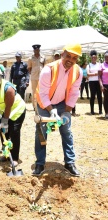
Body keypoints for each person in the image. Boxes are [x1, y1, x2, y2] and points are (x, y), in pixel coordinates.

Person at [32, 43, 83, 177]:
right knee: (41, 132)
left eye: (74, 58)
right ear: (62, 55)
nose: (70, 60)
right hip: (45, 104)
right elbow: (43, 94)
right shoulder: (48, 70)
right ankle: (40, 163)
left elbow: (73, 93)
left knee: (66, 131)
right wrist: (51, 111)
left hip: (62, 103)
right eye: (68, 56)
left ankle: (69, 162)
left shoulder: (77, 72)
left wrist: (66, 111)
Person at [0, 66, 26, 167]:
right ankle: (6, 154)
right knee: (3, 132)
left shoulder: (8, 89)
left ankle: (15, 158)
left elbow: (9, 106)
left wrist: (5, 121)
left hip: (17, 110)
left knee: (14, 131)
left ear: (0, 76)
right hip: (5, 111)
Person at [27, 44, 46, 111]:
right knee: (34, 92)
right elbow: (29, 68)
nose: (36, 51)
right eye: (35, 50)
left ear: (39, 50)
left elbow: (44, 66)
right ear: (33, 50)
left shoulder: (43, 57)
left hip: (41, 77)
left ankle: (41, 105)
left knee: (41, 91)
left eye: (37, 49)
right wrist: (33, 73)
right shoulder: (30, 58)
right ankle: (35, 106)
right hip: (34, 77)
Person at [87, 50, 103, 115]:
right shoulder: (89, 65)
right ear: (91, 58)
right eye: (92, 57)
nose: (94, 58)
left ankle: (100, 110)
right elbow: (88, 73)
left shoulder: (99, 64)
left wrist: (93, 74)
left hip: (98, 81)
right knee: (92, 96)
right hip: (91, 82)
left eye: (95, 57)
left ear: (96, 58)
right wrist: (96, 74)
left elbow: (101, 73)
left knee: (99, 96)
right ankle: (92, 110)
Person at [98, 51, 108, 119]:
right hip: (105, 85)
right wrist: (101, 85)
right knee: (106, 99)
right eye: (105, 57)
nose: (106, 58)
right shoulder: (101, 65)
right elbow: (99, 76)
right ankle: (106, 113)